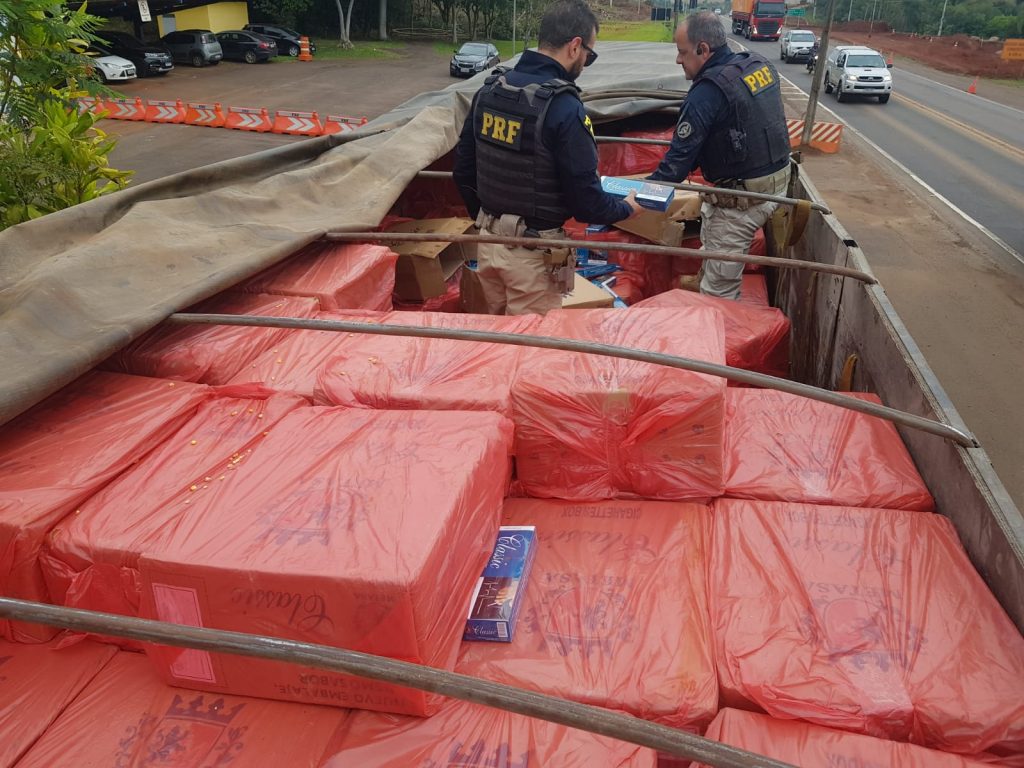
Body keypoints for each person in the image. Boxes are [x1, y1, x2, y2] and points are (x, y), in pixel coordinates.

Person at [453, 0, 641, 316]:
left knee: (495, 337)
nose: (586, 62)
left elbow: (463, 170)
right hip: (532, 257)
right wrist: (627, 208)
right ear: (575, 46)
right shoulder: (564, 107)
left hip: (488, 245)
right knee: (529, 344)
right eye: (589, 55)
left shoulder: (490, 90)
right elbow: (585, 203)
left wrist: (490, 221)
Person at [648, 11, 791, 301]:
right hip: (777, 184)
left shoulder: (707, 93)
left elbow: (676, 167)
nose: (678, 60)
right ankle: (706, 276)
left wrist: (637, 195)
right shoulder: (757, 64)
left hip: (743, 201)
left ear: (703, 49)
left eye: (682, 52)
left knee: (719, 293)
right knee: (711, 218)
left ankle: (715, 306)